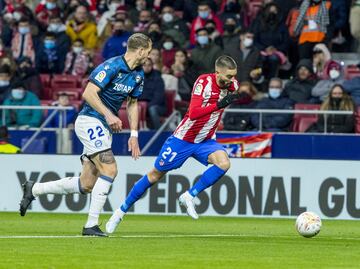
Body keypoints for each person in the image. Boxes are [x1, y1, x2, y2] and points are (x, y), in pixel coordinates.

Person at [19, 33, 152, 237]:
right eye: (148, 52)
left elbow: (132, 103)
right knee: (110, 168)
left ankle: (34, 189)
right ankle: (91, 225)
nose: (149, 56)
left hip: (103, 127)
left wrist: (134, 134)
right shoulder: (112, 66)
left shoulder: (138, 74)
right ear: (141, 50)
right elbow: (88, 93)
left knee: (87, 184)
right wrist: (108, 115)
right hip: (89, 120)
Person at [105, 55, 243, 233]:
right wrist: (218, 105)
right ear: (217, 72)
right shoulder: (203, 82)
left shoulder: (234, 86)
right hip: (183, 139)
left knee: (224, 163)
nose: (232, 80)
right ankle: (120, 212)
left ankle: (189, 196)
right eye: (229, 76)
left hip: (205, 140)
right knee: (155, 175)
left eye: (234, 76)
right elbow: (193, 113)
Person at [138, 58, 166, 129]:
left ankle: (158, 132)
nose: (146, 67)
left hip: (158, 106)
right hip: (141, 106)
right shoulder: (137, 78)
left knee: (152, 109)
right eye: (144, 65)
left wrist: (145, 107)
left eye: (149, 65)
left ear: (152, 66)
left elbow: (159, 98)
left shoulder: (158, 79)